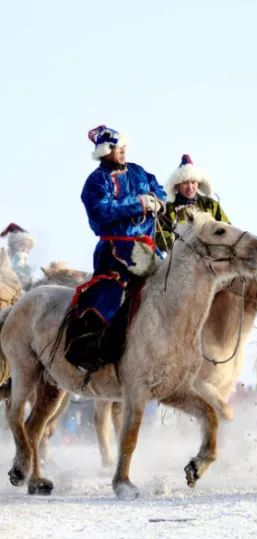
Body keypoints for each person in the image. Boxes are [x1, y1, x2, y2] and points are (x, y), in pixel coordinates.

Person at [66, 125, 166, 374]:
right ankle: (90, 348)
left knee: (171, 284)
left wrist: (159, 201)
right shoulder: (96, 181)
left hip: (148, 248)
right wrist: (139, 203)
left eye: (124, 147)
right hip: (114, 250)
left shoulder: (139, 172)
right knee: (110, 294)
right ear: (106, 151)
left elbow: (159, 189)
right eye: (117, 147)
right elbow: (101, 211)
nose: (122, 151)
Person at [157, 154, 230, 250]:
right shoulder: (167, 209)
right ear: (177, 185)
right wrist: (176, 241)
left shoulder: (211, 205)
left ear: (198, 183)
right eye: (185, 183)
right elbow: (158, 233)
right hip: (179, 258)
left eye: (193, 182)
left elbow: (227, 229)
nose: (190, 187)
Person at [0, 223, 36, 289]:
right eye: (23, 245)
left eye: (28, 247)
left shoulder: (23, 258)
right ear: (15, 245)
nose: (25, 249)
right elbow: (17, 269)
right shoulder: (13, 256)